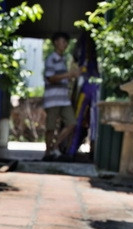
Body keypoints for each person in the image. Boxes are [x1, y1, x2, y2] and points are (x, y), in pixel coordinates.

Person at [42, 31, 79, 161]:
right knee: (50, 127)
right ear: (55, 43)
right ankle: (48, 153)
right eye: (62, 41)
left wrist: (70, 78)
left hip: (63, 99)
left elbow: (61, 78)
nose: (64, 44)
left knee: (71, 123)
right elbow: (50, 77)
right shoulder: (51, 59)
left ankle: (54, 146)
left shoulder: (64, 59)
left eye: (66, 42)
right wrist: (68, 75)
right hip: (52, 99)